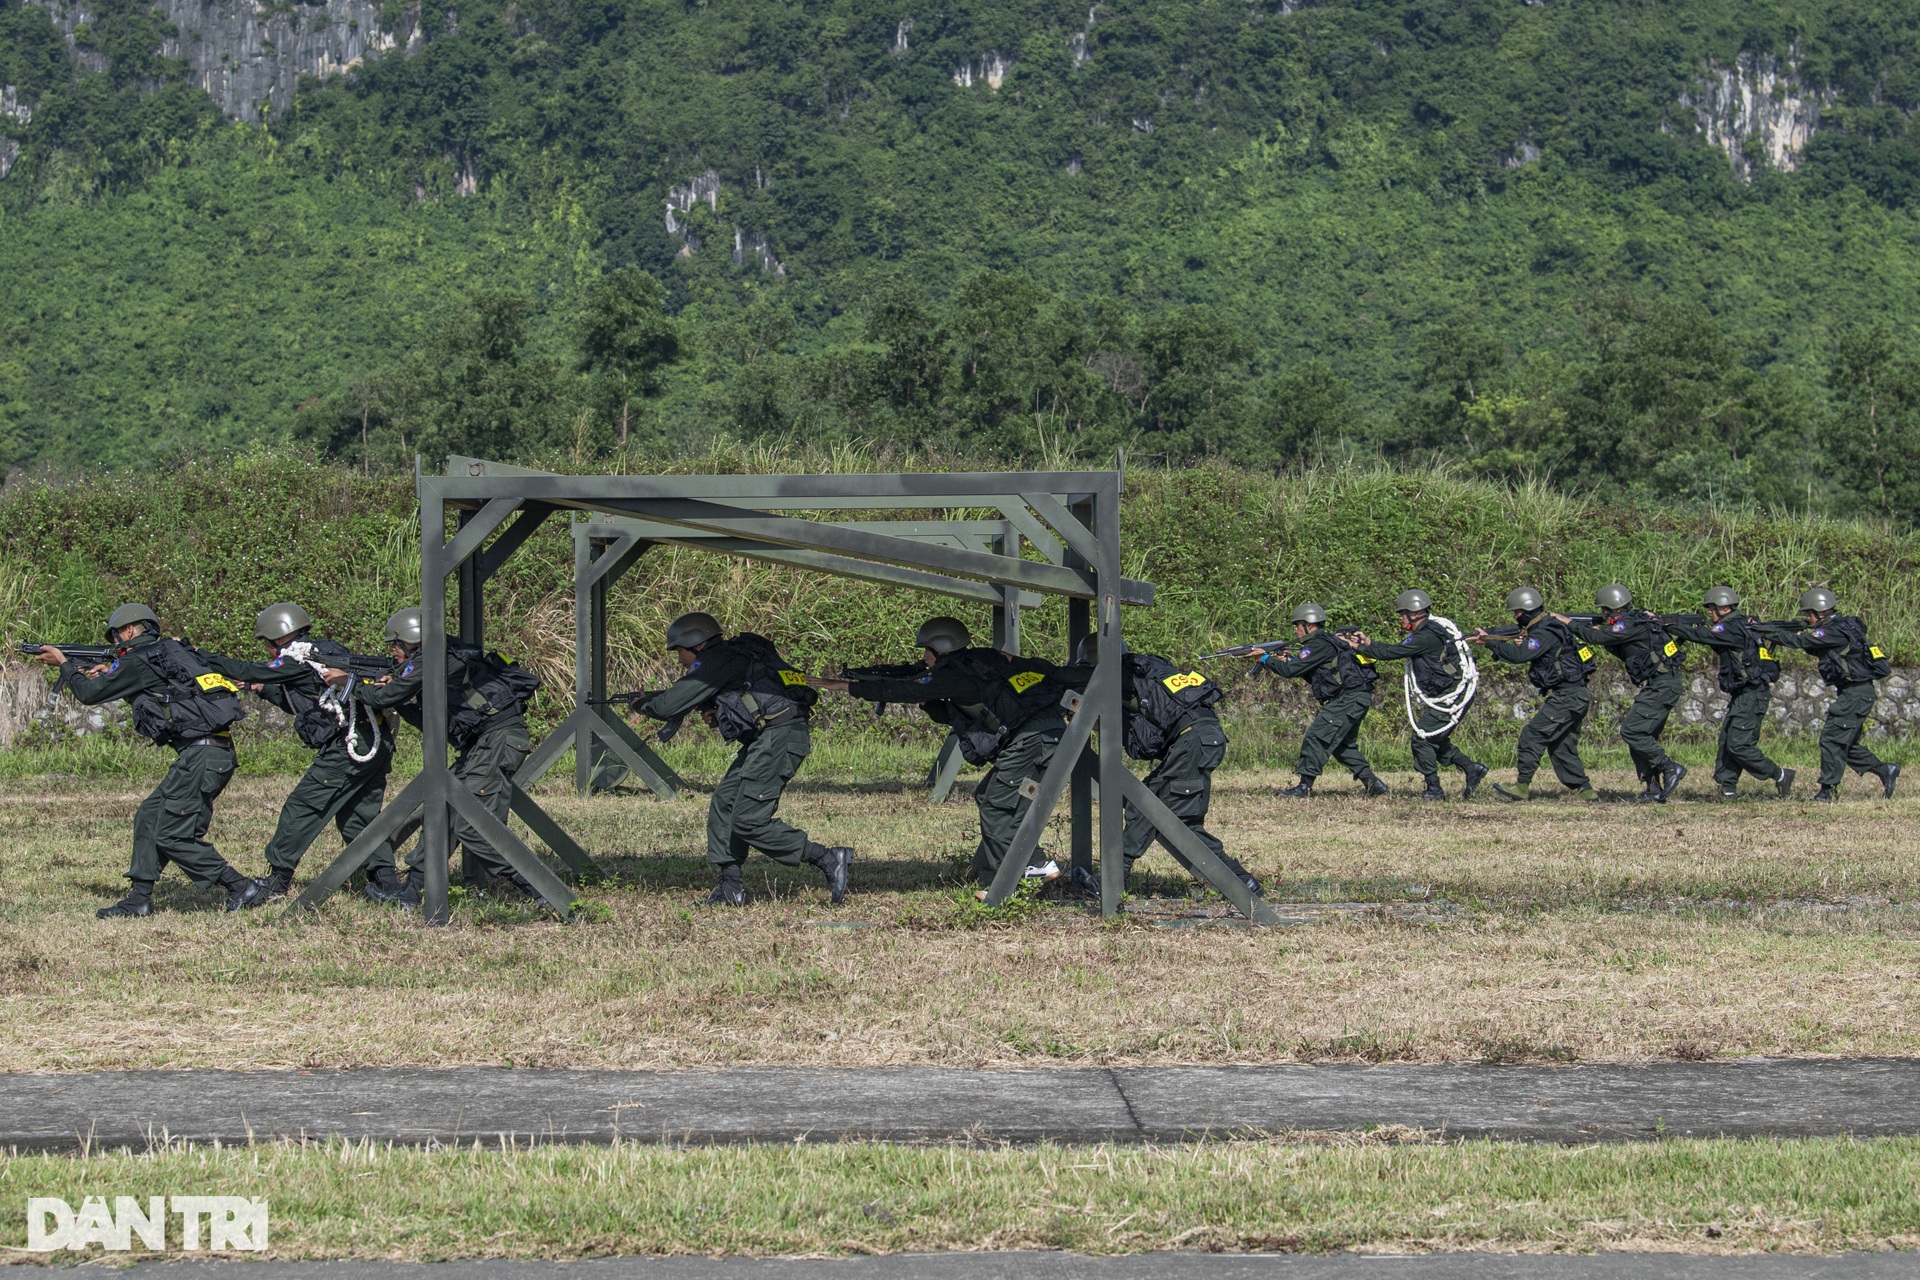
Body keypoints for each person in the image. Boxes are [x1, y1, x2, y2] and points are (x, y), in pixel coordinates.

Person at [33, 604, 267, 918]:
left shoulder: (138, 659)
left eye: (117, 634)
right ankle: (138, 899)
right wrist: (112, 672)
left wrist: (64, 665)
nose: (116, 640)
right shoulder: (168, 651)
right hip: (210, 752)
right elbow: (162, 690)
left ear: (130, 630)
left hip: (202, 755)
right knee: (149, 815)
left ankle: (240, 886)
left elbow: (88, 694)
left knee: (171, 834)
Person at [814, 616, 1066, 886]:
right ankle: (990, 871)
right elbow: (963, 712)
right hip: (1049, 732)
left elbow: (903, 690)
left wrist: (845, 686)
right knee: (989, 796)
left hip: (1030, 739)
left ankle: (1032, 866)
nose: (924, 658)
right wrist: (927, 701)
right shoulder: (984, 660)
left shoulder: (952, 673)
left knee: (995, 806)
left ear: (940, 649)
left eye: (927, 651)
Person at [632, 612, 852, 907]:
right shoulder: (730, 657)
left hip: (779, 737)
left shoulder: (714, 661)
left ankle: (827, 857)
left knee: (748, 820)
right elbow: (746, 698)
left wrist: (643, 704)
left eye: (679, 652)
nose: (680, 660)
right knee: (725, 802)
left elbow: (669, 705)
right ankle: (730, 888)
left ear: (695, 645)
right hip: (768, 736)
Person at [337, 607, 552, 907]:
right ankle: (412, 891)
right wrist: (400, 699)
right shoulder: (440, 657)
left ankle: (542, 889)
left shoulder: (432, 657)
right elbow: (432, 722)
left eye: (396, 645)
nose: (394, 652)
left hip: (497, 741)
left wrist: (349, 684)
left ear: (412, 640)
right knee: (441, 810)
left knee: (472, 826)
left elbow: (382, 697)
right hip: (482, 744)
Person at [205, 603, 401, 900]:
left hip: (349, 745)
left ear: (277, 638)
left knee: (302, 807)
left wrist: (202, 657)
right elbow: (311, 706)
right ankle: (389, 884)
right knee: (359, 815)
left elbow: (246, 669)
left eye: (267, 645)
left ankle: (278, 881)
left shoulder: (299, 659)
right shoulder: (321, 652)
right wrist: (265, 687)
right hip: (373, 739)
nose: (269, 652)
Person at [1070, 635, 1261, 896]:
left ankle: (1113, 879)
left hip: (1191, 743)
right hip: (1205, 738)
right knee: (1182, 822)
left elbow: (1141, 745)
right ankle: (1242, 882)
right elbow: (1152, 736)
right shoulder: (1151, 670)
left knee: (1147, 807)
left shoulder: (1123, 679)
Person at [1340, 589, 1489, 801]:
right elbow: (1396, 648)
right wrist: (1369, 644)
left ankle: (1434, 789)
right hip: (1446, 694)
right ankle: (1471, 768)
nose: (1400, 618)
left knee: (1422, 739)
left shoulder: (1426, 636)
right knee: (1433, 738)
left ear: (1415, 614)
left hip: (1450, 697)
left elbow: (1392, 653)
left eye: (1403, 614)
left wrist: (1356, 647)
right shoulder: (1427, 632)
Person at [1557, 585, 1686, 804]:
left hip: (1663, 685)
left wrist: (1568, 622)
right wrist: (1601, 634)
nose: (1604, 616)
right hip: (1659, 684)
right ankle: (1652, 788)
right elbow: (1618, 647)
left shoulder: (1629, 623)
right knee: (1644, 737)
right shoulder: (1633, 622)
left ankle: (1669, 767)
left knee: (1632, 731)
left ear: (1613, 610)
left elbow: (1596, 638)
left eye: (1605, 612)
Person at [1664, 587, 1795, 800]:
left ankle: (1780, 775)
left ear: (1724, 607)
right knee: (1727, 742)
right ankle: (1728, 789)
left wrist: (1672, 626)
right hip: (1744, 694)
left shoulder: (1731, 628)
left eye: (1712, 609)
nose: (1709, 613)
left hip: (1752, 694)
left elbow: (1702, 635)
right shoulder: (1740, 625)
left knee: (1739, 745)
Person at [1770, 588, 1898, 802]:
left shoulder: (1833, 630)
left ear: (1821, 612)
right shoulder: (1840, 627)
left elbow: (1803, 642)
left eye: (1809, 614)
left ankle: (1828, 790)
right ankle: (1886, 770)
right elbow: (1815, 647)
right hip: (1854, 692)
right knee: (1845, 743)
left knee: (1831, 738)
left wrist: (1772, 634)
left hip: (1856, 693)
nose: (1808, 619)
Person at [1249, 602, 1388, 799]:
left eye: (1297, 625)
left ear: (1310, 625)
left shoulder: (1319, 644)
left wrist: (1265, 659)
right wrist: (1287, 661)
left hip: (1348, 697)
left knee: (1316, 736)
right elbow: (1315, 674)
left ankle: (1304, 787)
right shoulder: (1322, 644)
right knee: (1342, 745)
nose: (1295, 630)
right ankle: (1373, 784)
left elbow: (1289, 672)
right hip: (1355, 696)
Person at [1469, 587, 1596, 802]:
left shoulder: (1544, 632)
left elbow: (1519, 656)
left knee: (1532, 734)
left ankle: (1521, 786)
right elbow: (1525, 648)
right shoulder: (1545, 628)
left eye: (1517, 612)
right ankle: (1586, 791)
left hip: (1568, 696)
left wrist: (1491, 642)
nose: (1515, 616)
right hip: (1574, 695)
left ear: (1527, 610)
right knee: (1561, 745)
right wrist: (1493, 637)